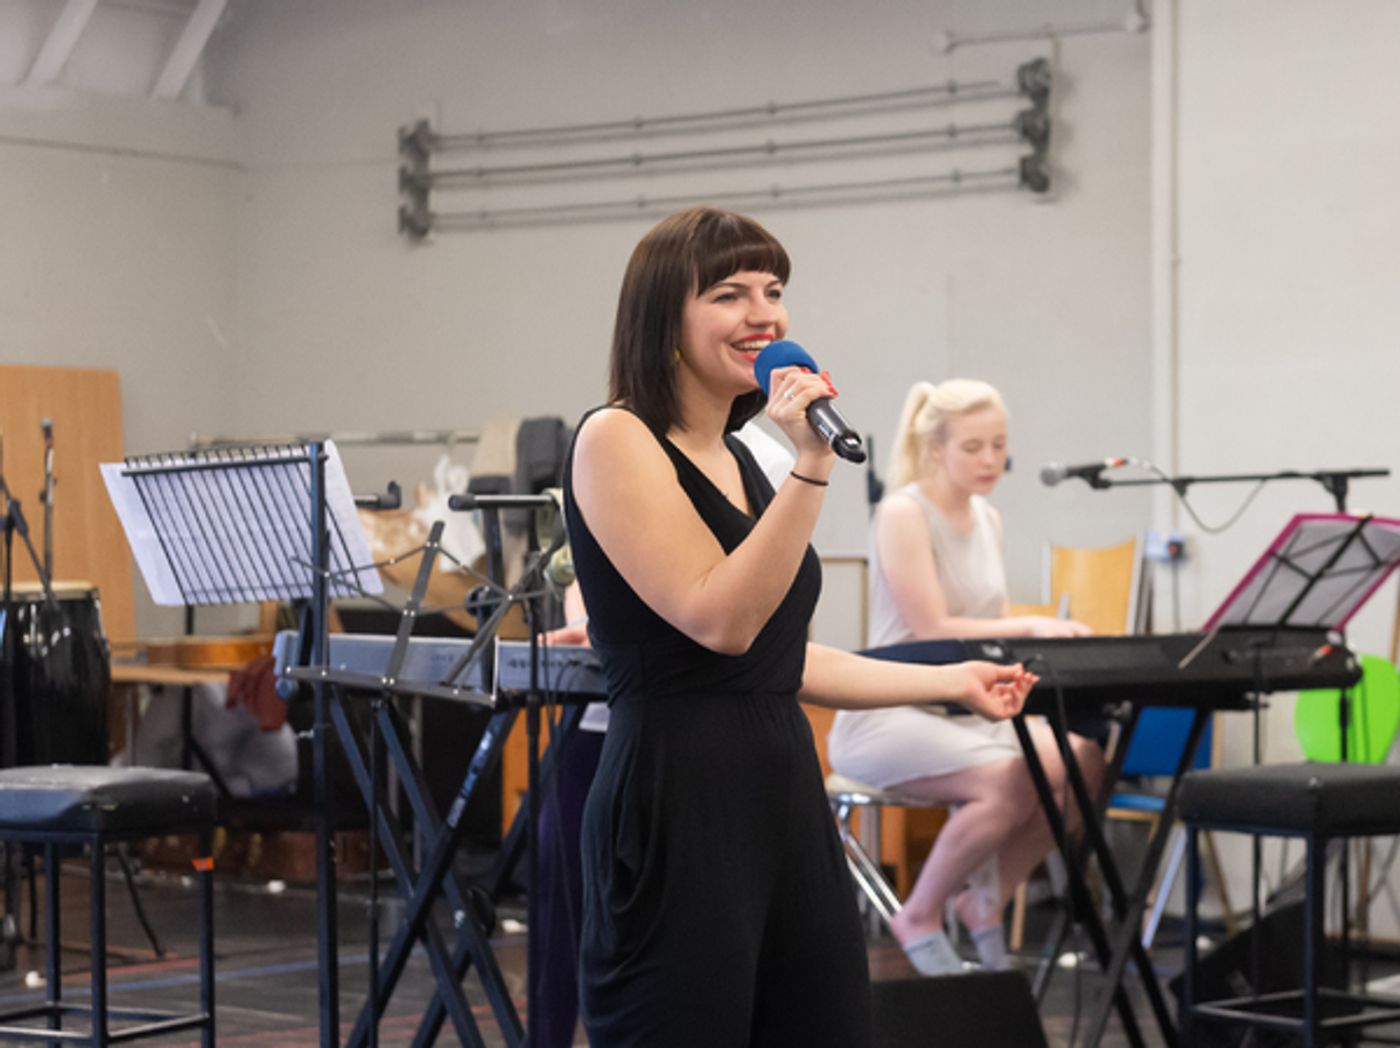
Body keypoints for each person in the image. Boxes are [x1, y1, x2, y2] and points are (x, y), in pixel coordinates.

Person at [564, 206, 1037, 1046]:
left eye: (774, 291)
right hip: (677, 797)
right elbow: (722, 622)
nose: (765, 315)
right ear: (663, 317)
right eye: (729, 294)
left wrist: (951, 681)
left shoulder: (748, 459)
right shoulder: (617, 438)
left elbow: (780, 659)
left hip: (780, 792)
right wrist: (814, 468)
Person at [827, 378, 1103, 977]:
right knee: (1006, 781)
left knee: (1082, 763)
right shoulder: (903, 513)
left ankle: (986, 899)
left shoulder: (988, 518)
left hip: (966, 706)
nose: (990, 461)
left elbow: (987, 623)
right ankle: (919, 914)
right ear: (936, 448)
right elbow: (933, 630)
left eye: (999, 446)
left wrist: (1030, 632)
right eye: (973, 447)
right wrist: (1037, 628)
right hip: (891, 710)